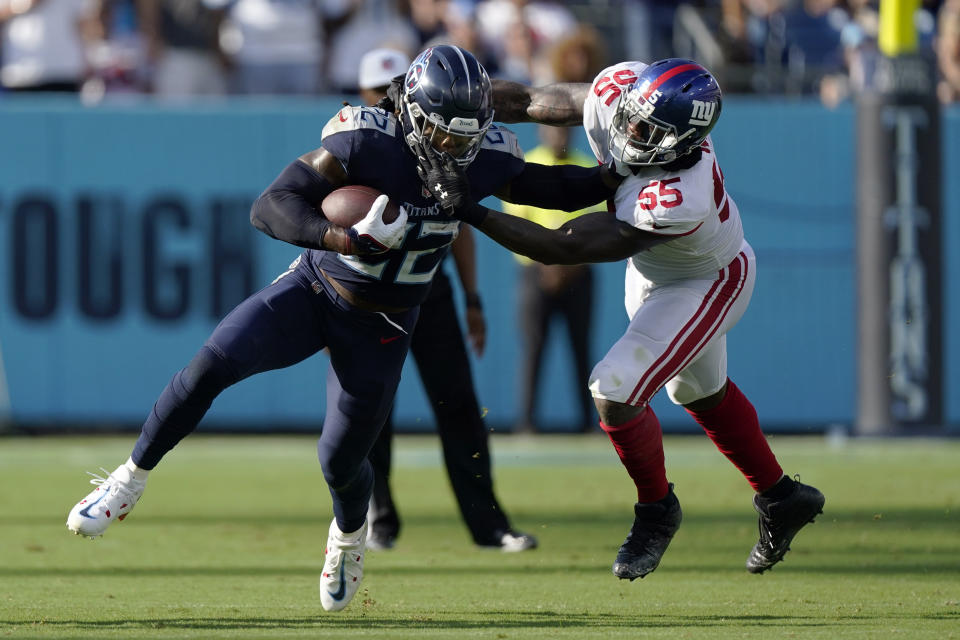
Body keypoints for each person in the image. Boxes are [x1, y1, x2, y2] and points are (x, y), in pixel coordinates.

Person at [65, 44, 619, 612]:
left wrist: (622, 172)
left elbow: (559, 190)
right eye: (447, 134)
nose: (459, 147)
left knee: (340, 461)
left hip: (384, 323)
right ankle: (128, 479)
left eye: (469, 134)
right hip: (317, 290)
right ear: (415, 115)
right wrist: (339, 239)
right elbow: (271, 204)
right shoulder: (366, 140)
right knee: (212, 364)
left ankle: (349, 537)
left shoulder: (485, 158)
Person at [418, 57, 826, 580]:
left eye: (648, 129)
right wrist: (453, 104)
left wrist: (470, 208)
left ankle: (656, 511)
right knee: (698, 392)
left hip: (706, 280)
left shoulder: (682, 191)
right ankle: (782, 497)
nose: (630, 130)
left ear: (683, 141)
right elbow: (529, 100)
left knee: (614, 389)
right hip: (657, 273)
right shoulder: (622, 92)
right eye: (631, 116)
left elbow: (560, 246)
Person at [356, 47, 537, 552]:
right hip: (369, 296)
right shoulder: (363, 146)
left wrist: (473, 300)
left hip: (429, 290)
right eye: (376, 88)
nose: (383, 97)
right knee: (371, 409)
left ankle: (489, 525)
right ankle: (379, 517)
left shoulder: (447, 146)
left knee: (457, 404)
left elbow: (460, 228)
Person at [502, 125, 598, 434]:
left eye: (565, 130)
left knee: (581, 347)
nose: (559, 136)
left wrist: (569, 263)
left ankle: (589, 423)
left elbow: (599, 224)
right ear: (541, 131)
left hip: (578, 272)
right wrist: (548, 263)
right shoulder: (525, 167)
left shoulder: (588, 168)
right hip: (536, 273)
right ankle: (527, 423)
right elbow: (517, 226)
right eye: (552, 129)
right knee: (533, 347)